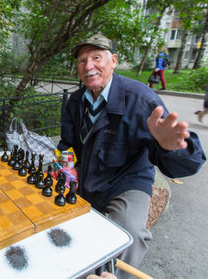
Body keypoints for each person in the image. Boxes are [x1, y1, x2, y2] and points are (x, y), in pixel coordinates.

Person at [58, 34, 205, 279]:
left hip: (127, 180)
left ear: (113, 61)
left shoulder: (141, 99)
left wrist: (170, 147)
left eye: (96, 58)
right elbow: (68, 143)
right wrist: (64, 165)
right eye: (82, 61)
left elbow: (190, 162)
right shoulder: (75, 101)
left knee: (130, 234)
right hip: (86, 179)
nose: (89, 66)